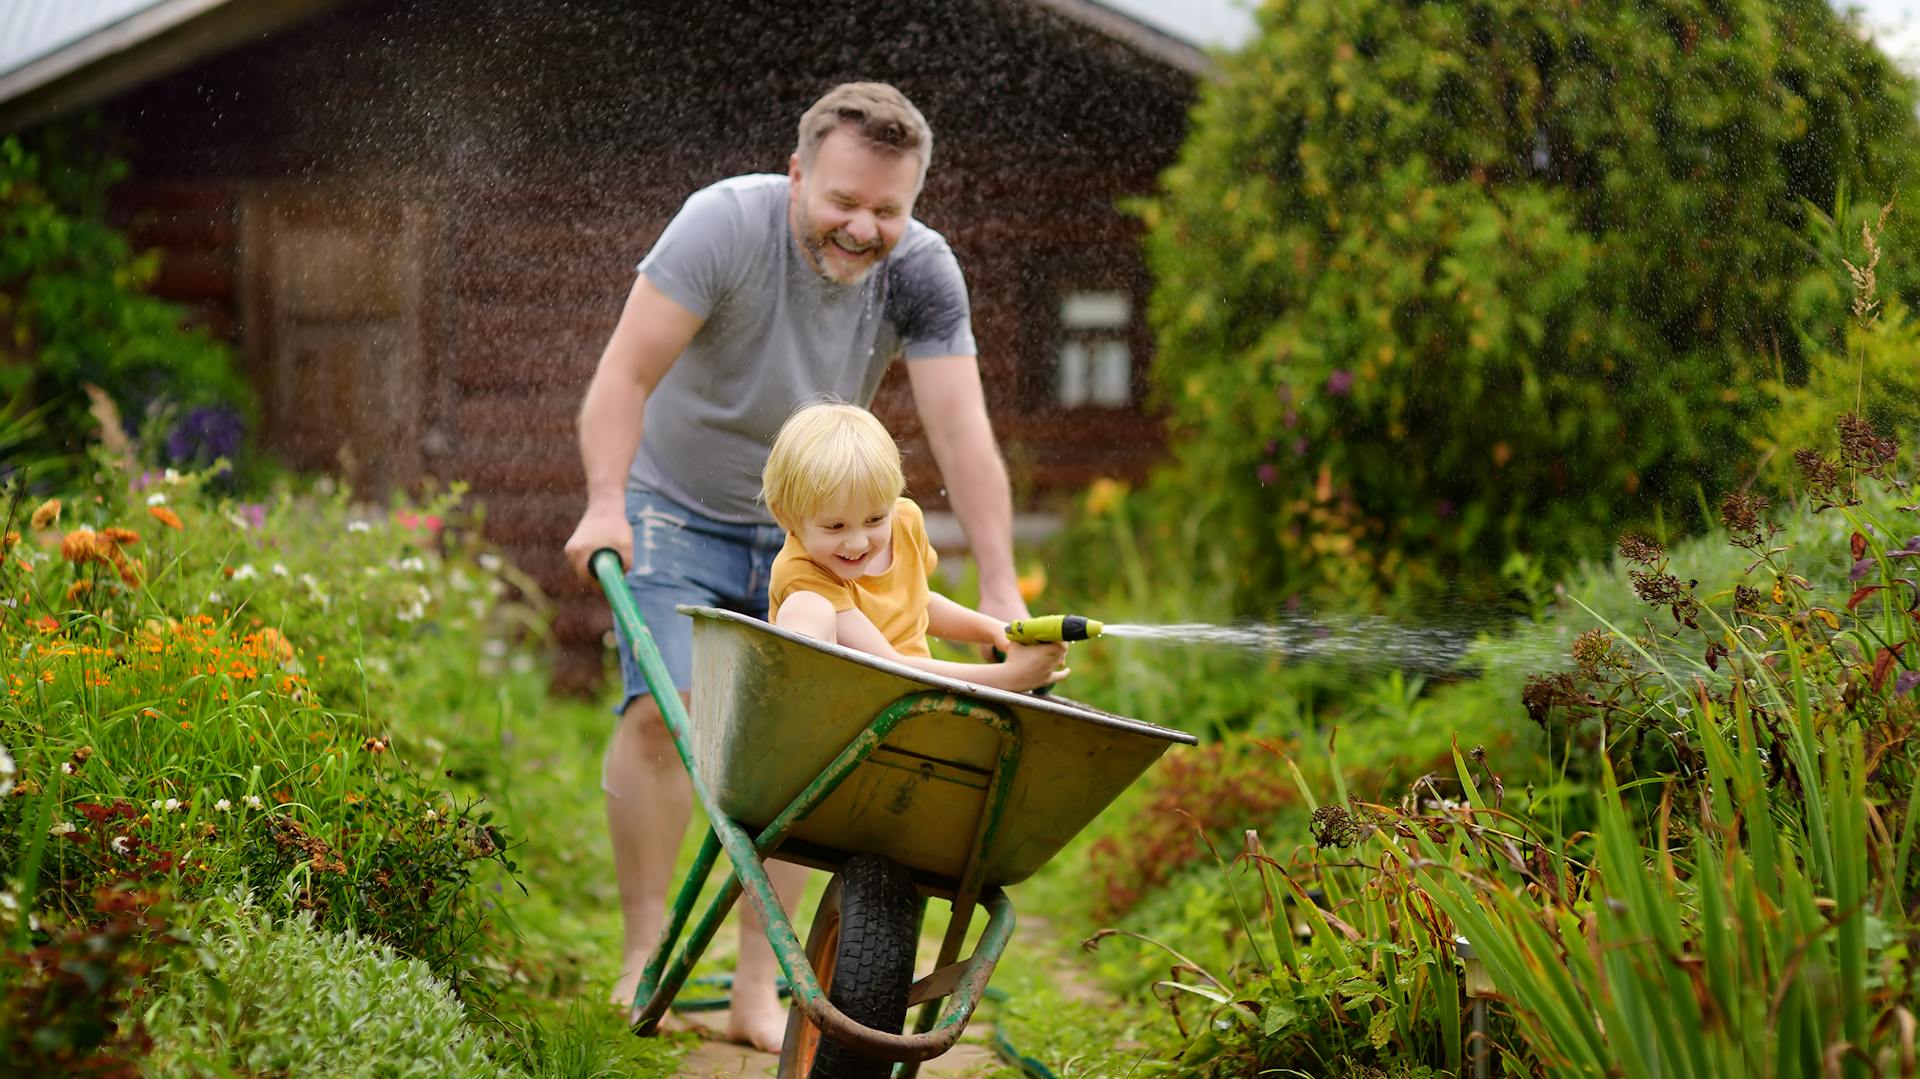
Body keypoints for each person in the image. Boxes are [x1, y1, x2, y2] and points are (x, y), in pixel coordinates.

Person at [560, 82, 1030, 1052]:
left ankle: (754, 987)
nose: (863, 227)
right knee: (662, 715)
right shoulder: (722, 227)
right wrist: (606, 501)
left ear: (913, 202)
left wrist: (1000, 587)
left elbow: (962, 432)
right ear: (796, 175)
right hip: (675, 506)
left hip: (817, 538)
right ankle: (643, 955)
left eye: (888, 209)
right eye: (843, 200)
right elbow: (624, 376)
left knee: (801, 752)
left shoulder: (921, 271)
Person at [762, 400, 1067, 689]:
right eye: (835, 526)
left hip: (915, 703)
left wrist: (996, 631)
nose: (858, 542)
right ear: (787, 516)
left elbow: (918, 602)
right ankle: (798, 709)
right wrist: (1010, 678)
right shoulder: (801, 573)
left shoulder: (904, 521)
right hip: (856, 707)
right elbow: (888, 666)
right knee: (808, 609)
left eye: (875, 519)